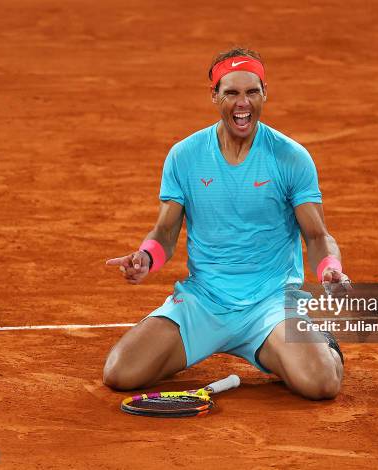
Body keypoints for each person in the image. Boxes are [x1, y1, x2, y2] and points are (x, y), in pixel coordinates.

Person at [103, 47, 350, 400]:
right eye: (231, 92)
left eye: (251, 91)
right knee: (119, 372)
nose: (242, 103)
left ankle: (318, 344)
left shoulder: (291, 157)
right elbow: (166, 231)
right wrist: (147, 256)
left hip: (270, 304)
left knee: (322, 384)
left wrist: (330, 267)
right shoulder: (185, 156)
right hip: (204, 301)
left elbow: (317, 234)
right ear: (214, 95)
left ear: (265, 93)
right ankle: (224, 342)